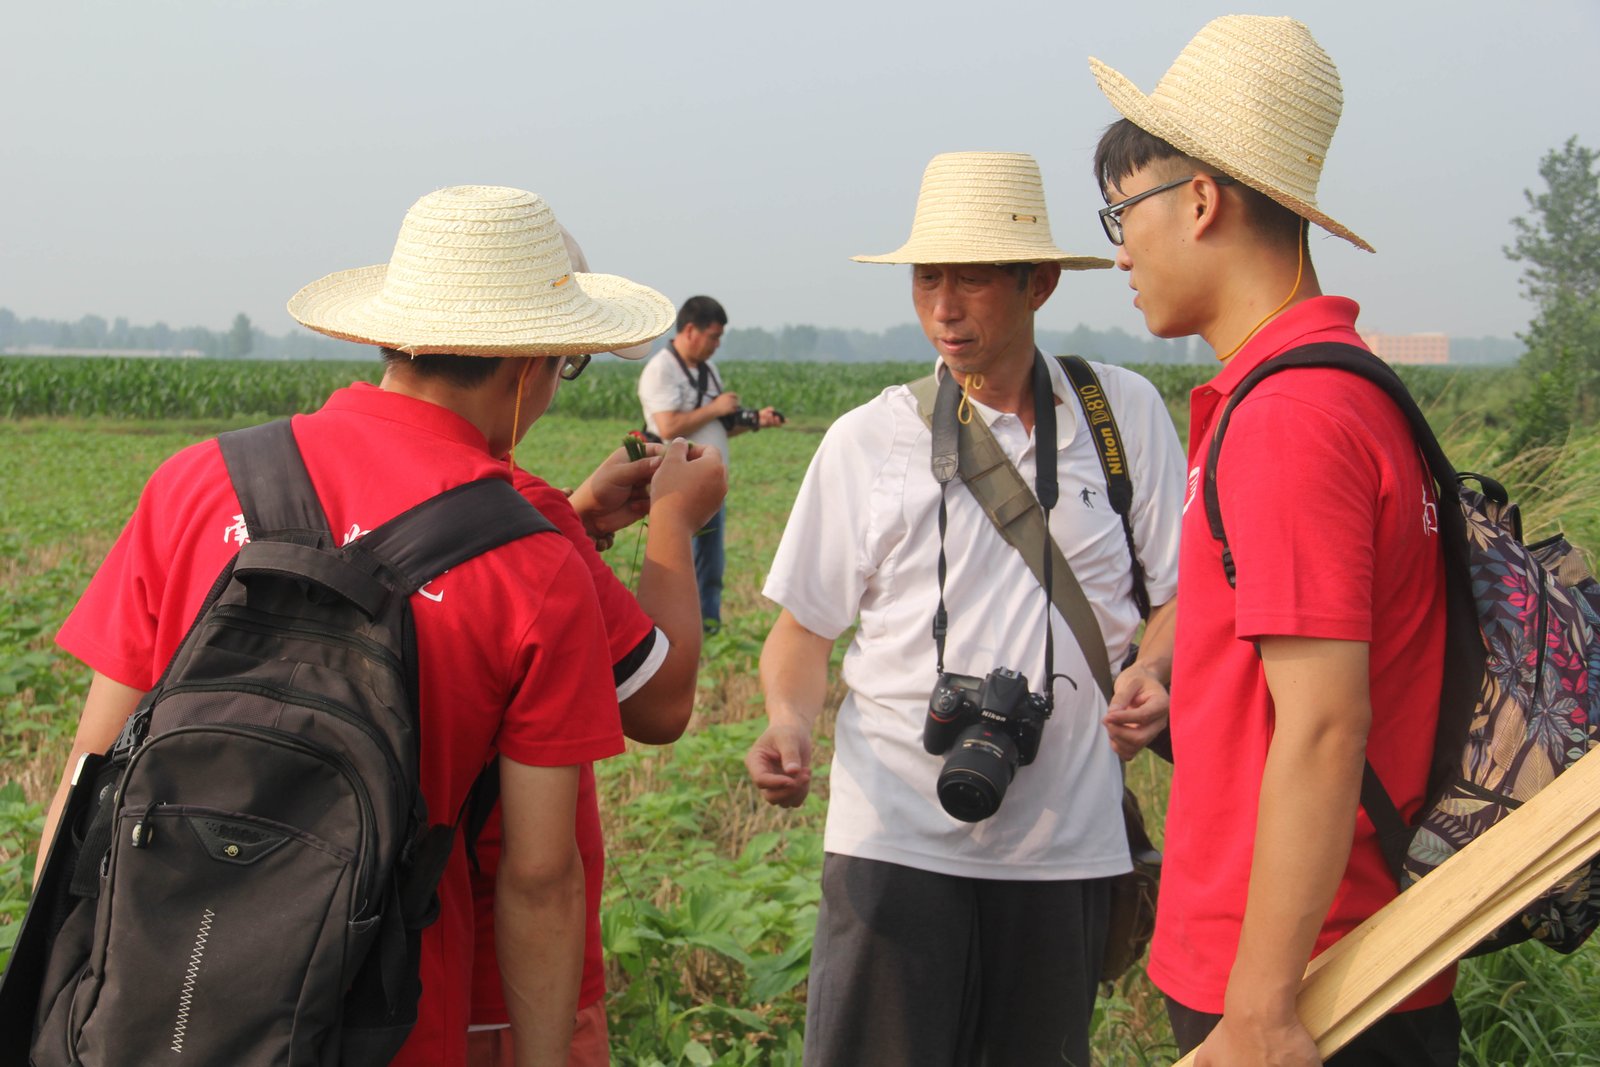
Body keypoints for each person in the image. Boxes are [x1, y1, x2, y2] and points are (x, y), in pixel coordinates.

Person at [39, 184, 719, 1067]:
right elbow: (541, 880)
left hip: (157, 1004)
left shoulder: (195, 483)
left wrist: (60, 989)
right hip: (386, 1023)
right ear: (529, 366)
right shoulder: (529, 561)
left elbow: (89, 773)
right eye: (567, 363)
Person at [744, 151, 1185, 1066]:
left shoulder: (1123, 416)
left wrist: (1152, 667)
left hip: (1065, 843)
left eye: (973, 277)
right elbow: (804, 629)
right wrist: (788, 721)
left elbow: (1181, 598)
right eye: (927, 276)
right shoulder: (869, 439)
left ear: (1041, 283)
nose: (944, 305)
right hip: (894, 840)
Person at [1088, 16, 1457, 1065]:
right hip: (1330, 955)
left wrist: (1258, 1008)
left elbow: (1327, 724)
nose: (1118, 248)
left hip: (1304, 979)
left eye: (1122, 213)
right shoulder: (1330, 389)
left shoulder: (1289, 418)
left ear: (1199, 200)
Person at [466, 229, 728, 1067]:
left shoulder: (216, 480)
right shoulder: (519, 513)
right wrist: (672, 521)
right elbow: (661, 699)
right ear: (530, 363)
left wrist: (572, 517)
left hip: (295, 970)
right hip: (483, 981)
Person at [637, 295, 785, 633]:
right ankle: (677, 630)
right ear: (690, 330)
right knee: (681, 561)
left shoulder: (708, 370)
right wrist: (716, 409)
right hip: (674, 488)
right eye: (714, 336)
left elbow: (715, 427)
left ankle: (708, 626)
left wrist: (755, 420)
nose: (718, 345)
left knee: (711, 563)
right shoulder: (661, 370)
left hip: (707, 485)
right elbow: (668, 427)